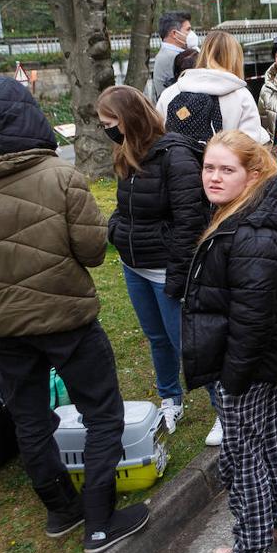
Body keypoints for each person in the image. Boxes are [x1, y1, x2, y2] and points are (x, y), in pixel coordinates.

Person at [0, 76, 149, 553]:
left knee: (29, 417)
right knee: (103, 414)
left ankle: (60, 507)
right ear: (27, 114)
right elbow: (92, 251)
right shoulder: (58, 176)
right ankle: (98, 518)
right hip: (66, 316)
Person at [183, 130, 277, 553]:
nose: (214, 177)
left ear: (252, 174)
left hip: (246, 365)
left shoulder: (250, 231)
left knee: (244, 456)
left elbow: (251, 319)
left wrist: (232, 379)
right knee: (271, 436)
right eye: (209, 167)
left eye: (226, 169)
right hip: (259, 362)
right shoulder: (243, 213)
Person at [98, 86, 209, 439]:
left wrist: (177, 276)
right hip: (135, 267)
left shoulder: (174, 157)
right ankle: (169, 397)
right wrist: (117, 231)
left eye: (110, 121)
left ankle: (223, 408)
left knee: (185, 344)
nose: (106, 128)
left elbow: (190, 221)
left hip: (165, 271)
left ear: (130, 117)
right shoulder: (126, 153)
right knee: (157, 337)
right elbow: (123, 207)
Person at [157, 30, 269, 145]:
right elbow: (250, 145)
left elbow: (159, 136)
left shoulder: (170, 93)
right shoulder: (242, 96)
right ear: (236, 59)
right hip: (226, 161)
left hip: (178, 160)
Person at [151, 10, 195, 101]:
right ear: (174, 34)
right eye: (188, 29)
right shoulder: (172, 57)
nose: (192, 34)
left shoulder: (167, 54)